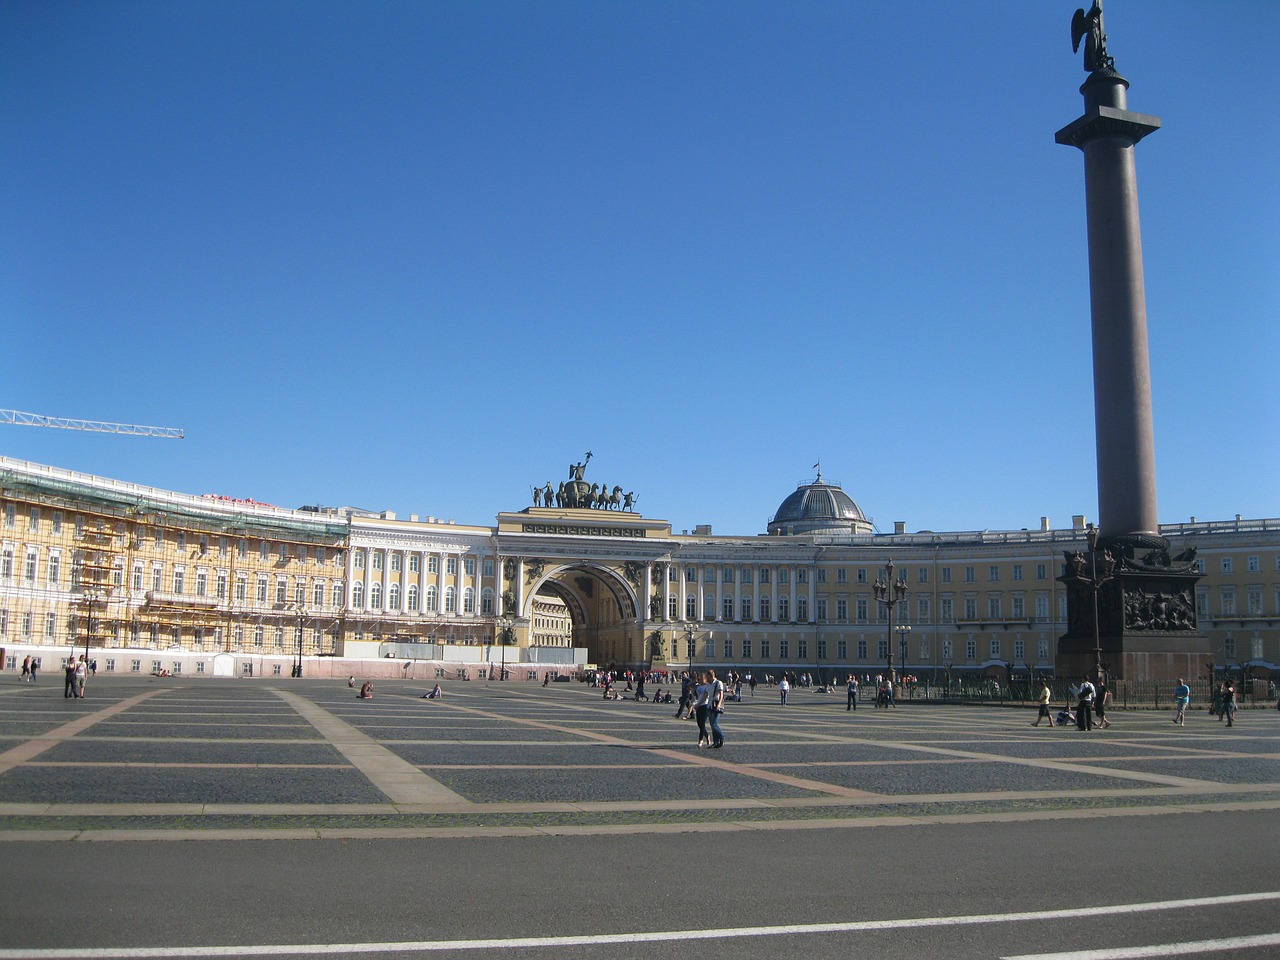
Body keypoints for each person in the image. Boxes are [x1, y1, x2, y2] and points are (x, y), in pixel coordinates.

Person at [707, 669, 726, 748]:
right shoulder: (708, 684)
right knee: (712, 725)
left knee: (714, 724)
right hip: (709, 706)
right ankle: (715, 742)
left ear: (710, 676)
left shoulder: (718, 683)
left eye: (707, 676)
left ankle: (722, 737)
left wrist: (719, 704)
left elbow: (721, 694)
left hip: (716, 706)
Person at [693, 672, 712, 747]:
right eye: (700, 679)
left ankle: (700, 740)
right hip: (698, 706)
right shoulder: (698, 687)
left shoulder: (707, 687)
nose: (700, 680)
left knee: (702, 723)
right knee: (699, 724)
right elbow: (696, 696)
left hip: (705, 706)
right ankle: (707, 736)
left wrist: (698, 704)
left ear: (706, 679)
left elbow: (705, 697)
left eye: (702, 679)